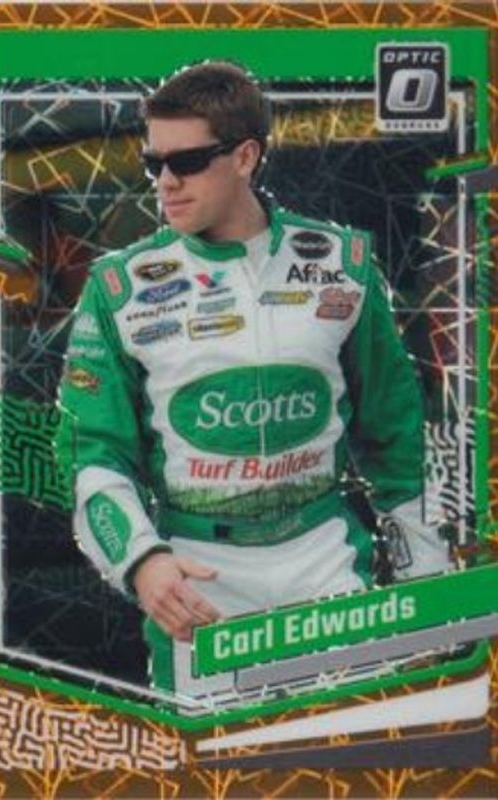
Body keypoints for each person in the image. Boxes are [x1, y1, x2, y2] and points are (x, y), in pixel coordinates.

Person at [57, 61, 452, 698]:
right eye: (153, 163)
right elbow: (92, 453)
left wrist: (425, 581)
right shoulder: (118, 288)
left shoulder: (344, 264)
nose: (166, 182)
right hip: (197, 582)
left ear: (245, 156)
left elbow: (396, 435)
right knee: (216, 758)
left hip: (326, 563)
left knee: (353, 745)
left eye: (187, 162)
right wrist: (142, 562)